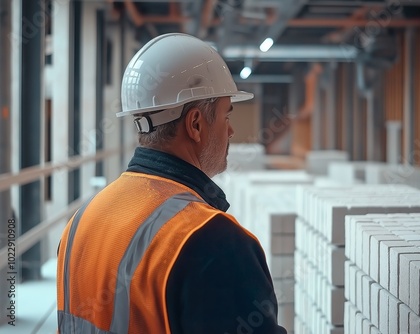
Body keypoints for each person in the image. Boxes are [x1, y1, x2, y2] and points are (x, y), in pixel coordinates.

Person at [56, 33, 288, 333]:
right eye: (225, 116)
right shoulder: (216, 243)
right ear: (195, 124)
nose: (230, 131)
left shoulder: (81, 221)